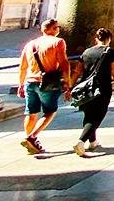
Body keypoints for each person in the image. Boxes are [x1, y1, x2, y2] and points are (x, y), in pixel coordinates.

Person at [17, 19, 72, 154]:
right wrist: (67, 82)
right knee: (49, 111)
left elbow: (23, 66)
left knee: (31, 113)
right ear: (53, 29)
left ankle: (30, 142)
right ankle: (32, 137)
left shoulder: (30, 44)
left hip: (30, 81)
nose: (58, 29)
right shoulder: (58, 42)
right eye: (57, 27)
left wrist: (21, 84)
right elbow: (64, 64)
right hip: (48, 82)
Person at [73, 28, 114, 156]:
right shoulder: (111, 52)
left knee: (89, 114)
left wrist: (70, 85)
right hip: (103, 87)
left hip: (86, 87)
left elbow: (78, 71)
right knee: (98, 115)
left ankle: (93, 141)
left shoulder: (87, 52)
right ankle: (81, 141)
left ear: (96, 39)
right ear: (109, 39)